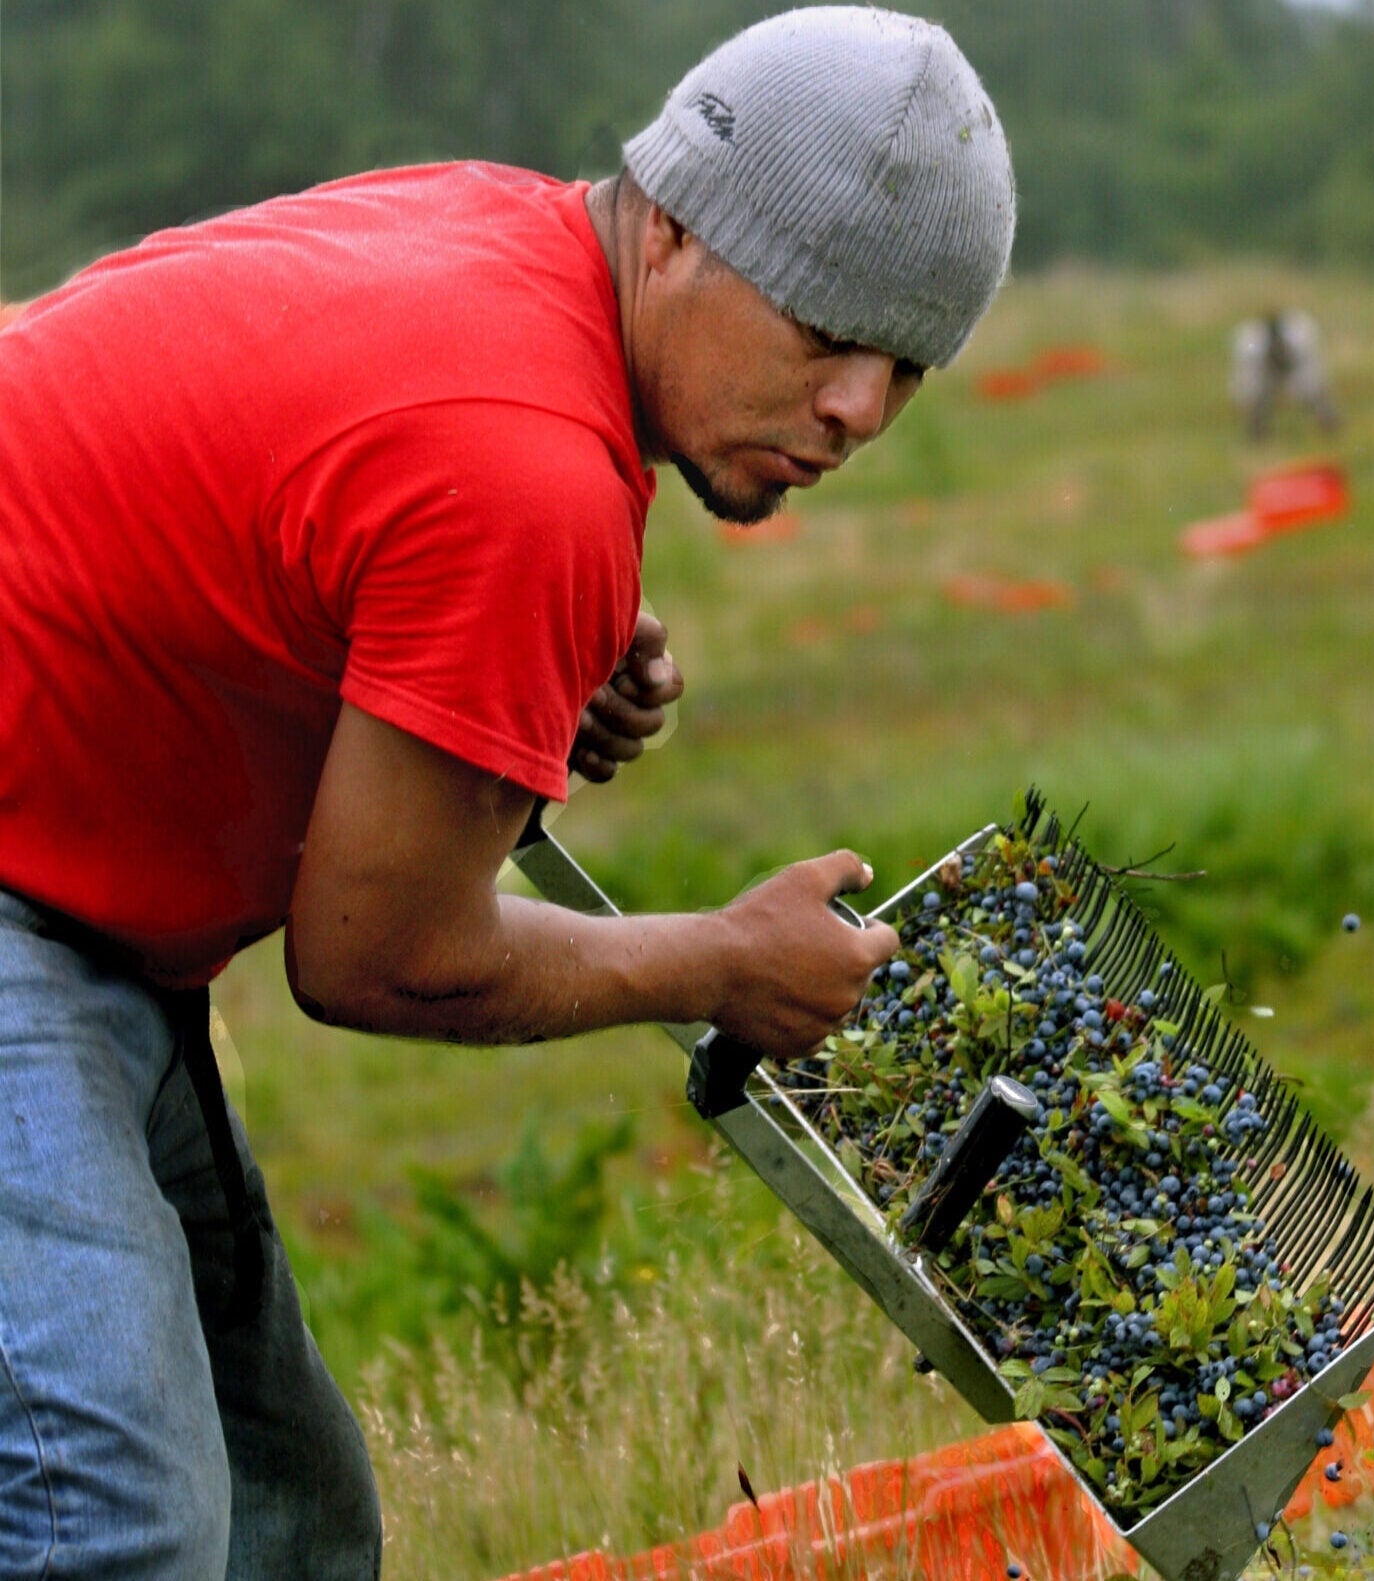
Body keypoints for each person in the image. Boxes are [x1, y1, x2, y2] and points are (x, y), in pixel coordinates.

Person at [0, 6, 1015, 1576]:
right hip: (26, 909)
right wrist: (722, 965)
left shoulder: (501, 235)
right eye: (824, 333)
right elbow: (378, 958)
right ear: (675, 225)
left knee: (290, 1527)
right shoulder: (526, 472)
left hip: (74, 894)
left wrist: (498, 669)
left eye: (907, 367)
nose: (859, 411)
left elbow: (306, 514)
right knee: (110, 1527)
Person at [1230, 308, 1340, 441]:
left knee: (1312, 392)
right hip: (1264, 370)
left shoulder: (1301, 334)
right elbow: (1249, 371)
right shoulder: (1251, 341)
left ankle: (1329, 423)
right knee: (1258, 400)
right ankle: (1256, 432)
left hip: (1296, 366)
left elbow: (1308, 365)